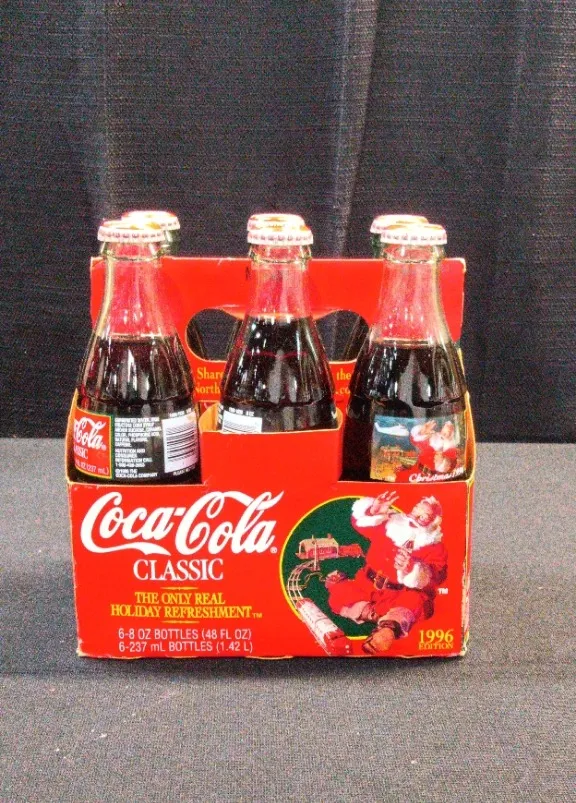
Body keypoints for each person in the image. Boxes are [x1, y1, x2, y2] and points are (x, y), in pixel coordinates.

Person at [325, 492, 448, 654]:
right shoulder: (391, 523)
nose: (419, 516)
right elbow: (360, 525)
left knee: (416, 603)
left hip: (398, 594)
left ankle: (389, 628)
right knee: (339, 594)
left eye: (426, 515)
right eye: (418, 509)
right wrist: (374, 511)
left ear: (434, 521)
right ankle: (375, 616)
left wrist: (411, 568)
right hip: (366, 584)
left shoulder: (434, 546)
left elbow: (437, 576)